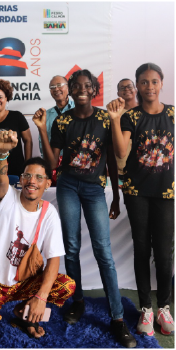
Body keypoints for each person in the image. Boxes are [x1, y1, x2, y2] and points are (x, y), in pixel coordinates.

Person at [33, 69, 133, 347]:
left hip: (94, 190)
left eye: (86, 86)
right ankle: (77, 301)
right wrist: (42, 128)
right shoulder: (62, 122)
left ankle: (117, 318)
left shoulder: (104, 118)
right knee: (71, 246)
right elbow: (53, 164)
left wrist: (114, 195)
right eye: (75, 85)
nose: (80, 89)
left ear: (94, 89)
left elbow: (114, 159)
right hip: (67, 186)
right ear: (70, 90)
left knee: (103, 250)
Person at [0, 131, 76, 343]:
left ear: (47, 183)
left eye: (38, 177)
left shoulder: (49, 212)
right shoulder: (6, 197)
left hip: (22, 281)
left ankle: (22, 314)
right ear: (21, 179)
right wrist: (1, 153)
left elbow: (54, 259)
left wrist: (41, 298)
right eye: (27, 176)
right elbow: (0, 179)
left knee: (66, 285)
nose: (31, 181)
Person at [108, 62, 174, 337]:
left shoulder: (172, 114)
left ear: (161, 84)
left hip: (166, 192)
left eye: (153, 82)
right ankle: (146, 307)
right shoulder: (130, 117)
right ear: (137, 86)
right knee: (141, 249)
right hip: (136, 192)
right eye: (143, 82)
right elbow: (121, 152)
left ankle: (165, 307)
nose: (149, 87)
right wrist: (113, 119)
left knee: (164, 251)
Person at [37, 75, 74, 145]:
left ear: (68, 87)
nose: (56, 89)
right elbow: (43, 143)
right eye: (52, 87)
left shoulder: (79, 109)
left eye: (59, 85)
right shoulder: (46, 115)